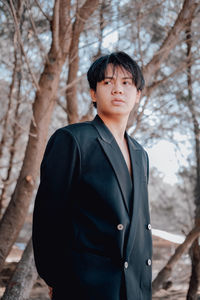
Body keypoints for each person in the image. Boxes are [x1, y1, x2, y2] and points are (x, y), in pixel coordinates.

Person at [32, 51, 152, 300]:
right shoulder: (73, 139)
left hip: (133, 289)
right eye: (107, 82)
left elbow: (139, 227)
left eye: (126, 83)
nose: (117, 90)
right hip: (85, 286)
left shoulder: (140, 154)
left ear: (137, 94)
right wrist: (55, 277)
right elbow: (48, 218)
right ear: (93, 93)